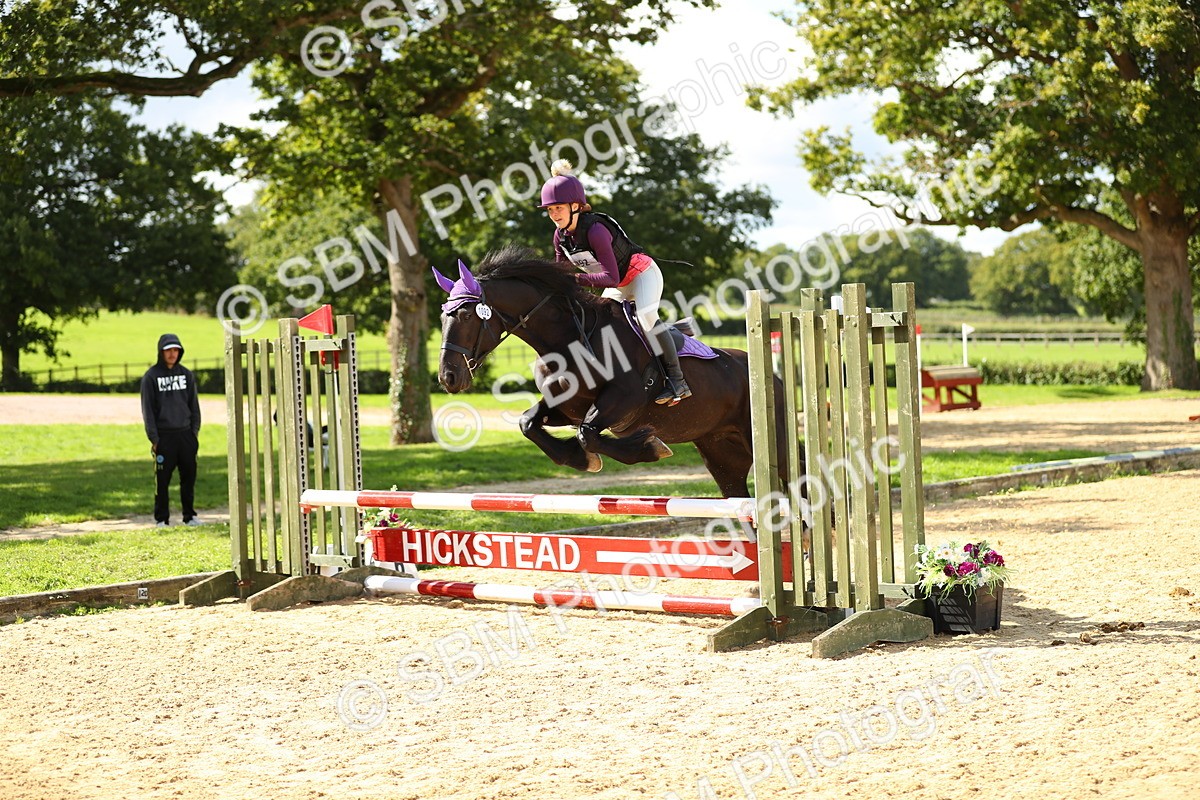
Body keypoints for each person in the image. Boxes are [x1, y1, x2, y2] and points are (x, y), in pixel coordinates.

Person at [539, 160, 691, 405]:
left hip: (641, 275)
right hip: (618, 285)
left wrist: (576, 278)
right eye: (550, 210)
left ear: (575, 206)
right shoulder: (560, 237)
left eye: (558, 208)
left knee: (645, 317)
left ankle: (677, 380)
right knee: (602, 325)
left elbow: (611, 277)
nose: (554, 215)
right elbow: (561, 273)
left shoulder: (596, 231)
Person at [140, 333, 202, 527]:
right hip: (163, 438)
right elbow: (147, 410)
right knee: (162, 482)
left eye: (176, 350)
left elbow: (194, 405)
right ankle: (162, 519)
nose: (172, 354)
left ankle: (189, 516)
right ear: (161, 352)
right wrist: (154, 439)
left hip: (186, 436)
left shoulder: (186, 375)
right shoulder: (150, 377)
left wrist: (194, 433)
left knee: (188, 479)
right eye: (169, 350)